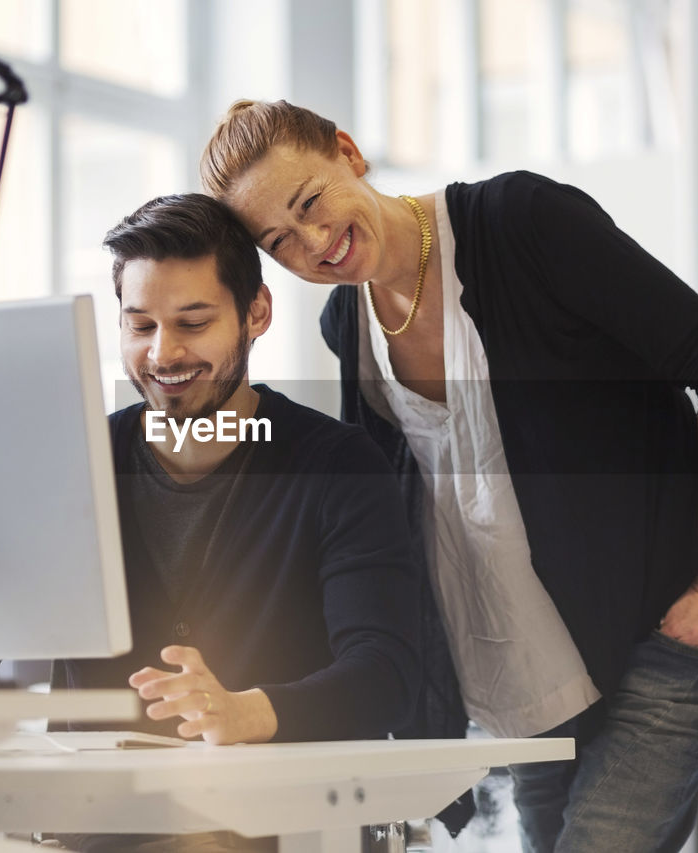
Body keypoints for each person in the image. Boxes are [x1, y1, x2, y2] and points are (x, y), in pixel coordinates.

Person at [199, 99, 698, 852]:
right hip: (530, 676)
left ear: (347, 151)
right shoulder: (347, 327)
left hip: (666, 626)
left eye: (310, 201)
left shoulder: (523, 223)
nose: (314, 242)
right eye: (279, 242)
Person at [49, 192, 421, 852]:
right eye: (140, 326)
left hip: (278, 826)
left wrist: (246, 710)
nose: (163, 354)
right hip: (98, 827)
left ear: (257, 313)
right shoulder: (74, 460)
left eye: (193, 323)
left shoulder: (337, 466)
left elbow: (387, 674)